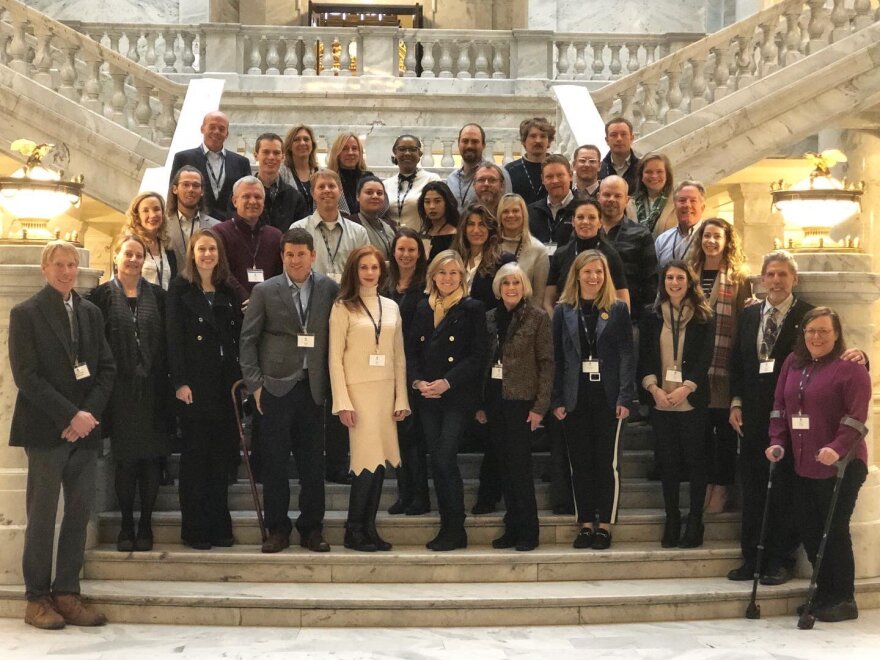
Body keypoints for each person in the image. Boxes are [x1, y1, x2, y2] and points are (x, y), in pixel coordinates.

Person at [728, 251, 868, 586]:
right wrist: (735, 401)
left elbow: (841, 362)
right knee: (753, 489)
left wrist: (862, 356)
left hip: (796, 424)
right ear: (761, 279)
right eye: (770, 274)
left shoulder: (808, 316)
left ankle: (779, 559)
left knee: (786, 493)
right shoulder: (749, 315)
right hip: (754, 418)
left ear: (794, 279)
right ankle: (753, 558)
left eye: (782, 275)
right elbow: (738, 362)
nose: (775, 281)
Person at [9, 240, 115, 630]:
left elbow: (106, 369)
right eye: (59, 264)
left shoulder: (89, 312)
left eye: (72, 264)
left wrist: (87, 415)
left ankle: (67, 593)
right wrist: (71, 415)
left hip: (84, 432)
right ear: (45, 268)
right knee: (42, 516)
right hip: (46, 431)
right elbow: (27, 377)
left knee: (78, 514)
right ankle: (36, 598)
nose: (67, 271)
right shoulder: (26, 314)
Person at [768, 307, 870, 623]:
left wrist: (836, 448)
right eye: (811, 331)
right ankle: (823, 593)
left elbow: (855, 419)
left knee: (833, 530)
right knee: (812, 531)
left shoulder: (851, 369)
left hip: (842, 465)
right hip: (802, 463)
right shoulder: (792, 363)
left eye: (824, 331)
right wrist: (776, 441)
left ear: (836, 334)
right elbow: (779, 408)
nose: (816, 337)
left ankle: (843, 598)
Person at [239, 227, 336, 554]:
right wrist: (255, 385)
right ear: (282, 256)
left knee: (313, 465)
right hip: (275, 388)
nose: (295, 260)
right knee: (275, 463)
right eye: (289, 254)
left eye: (301, 254)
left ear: (313, 255)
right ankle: (277, 528)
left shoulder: (329, 289)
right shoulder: (265, 291)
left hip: (314, 387)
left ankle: (312, 528)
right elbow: (248, 340)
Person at [88, 234, 171, 553]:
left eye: (139, 255)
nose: (134, 260)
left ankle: (146, 524)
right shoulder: (100, 296)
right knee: (124, 463)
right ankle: (125, 524)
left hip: (153, 390)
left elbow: (166, 343)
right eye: (128, 255)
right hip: (119, 392)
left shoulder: (159, 297)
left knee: (151, 461)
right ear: (116, 258)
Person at [551, 251, 634, 550]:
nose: (594, 277)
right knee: (580, 463)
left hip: (609, 397)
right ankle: (585, 524)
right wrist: (557, 398)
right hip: (575, 396)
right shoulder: (563, 311)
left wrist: (626, 395)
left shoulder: (618, 309)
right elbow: (558, 358)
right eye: (588, 271)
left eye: (599, 272)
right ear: (577, 274)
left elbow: (627, 355)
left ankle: (605, 525)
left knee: (607, 464)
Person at [329, 246, 410, 551]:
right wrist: (343, 402)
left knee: (378, 466)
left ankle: (369, 527)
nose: (369, 273)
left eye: (374, 267)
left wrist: (401, 398)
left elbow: (399, 356)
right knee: (364, 463)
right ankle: (353, 530)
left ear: (382, 271)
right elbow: (334, 359)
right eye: (363, 267)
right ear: (354, 270)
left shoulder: (391, 306)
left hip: (385, 393)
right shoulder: (342, 307)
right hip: (358, 395)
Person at [166, 229, 242, 550]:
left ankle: (219, 525)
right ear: (192, 254)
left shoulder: (227, 290)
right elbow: (173, 339)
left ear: (219, 254)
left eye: (212, 249)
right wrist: (179, 381)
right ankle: (195, 529)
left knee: (221, 458)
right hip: (194, 387)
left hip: (225, 387)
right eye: (201, 249)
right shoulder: (179, 289)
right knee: (196, 459)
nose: (207, 254)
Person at [411, 250, 487, 551]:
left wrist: (448, 381)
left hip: (457, 395)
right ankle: (449, 527)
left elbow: (478, 355)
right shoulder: (421, 308)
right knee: (438, 459)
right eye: (442, 272)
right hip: (428, 395)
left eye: (454, 273)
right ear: (433, 276)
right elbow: (411, 352)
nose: (448, 278)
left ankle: (455, 527)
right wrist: (417, 382)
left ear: (462, 277)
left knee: (444, 457)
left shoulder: (473, 308)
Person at [476, 263, 553, 551]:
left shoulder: (537, 318)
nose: (511, 288)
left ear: (524, 287)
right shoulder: (489, 318)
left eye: (516, 283)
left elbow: (546, 363)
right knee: (503, 466)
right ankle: (511, 527)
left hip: (523, 401)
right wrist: (480, 404)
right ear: (499, 287)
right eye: (506, 283)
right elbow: (483, 363)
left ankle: (528, 531)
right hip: (495, 399)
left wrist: (540, 406)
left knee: (520, 468)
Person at [640, 260, 714, 548]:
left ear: (689, 281)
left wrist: (686, 388)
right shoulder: (652, 315)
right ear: (663, 282)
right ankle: (672, 518)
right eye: (669, 277)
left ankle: (695, 520)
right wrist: (654, 389)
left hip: (691, 400)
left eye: (680, 277)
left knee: (696, 463)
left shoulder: (704, 316)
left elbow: (704, 358)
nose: (674, 282)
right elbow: (644, 356)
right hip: (661, 401)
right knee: (668, 464)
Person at [686, 218, 752, 514]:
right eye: (707, 236)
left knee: (723, 436)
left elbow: (745, 319)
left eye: (717, 237)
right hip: (695, 368)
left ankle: (722, 486)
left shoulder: (739, 277)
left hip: (725, 368)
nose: (711, 241)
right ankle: (705, 484)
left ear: (727, 241)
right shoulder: (689, 272)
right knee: (698, 437)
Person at [383, 228, 431, 515]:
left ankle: (420, 497)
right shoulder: (384, 285)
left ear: (420, 253)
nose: (406, 254)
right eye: (401, 249)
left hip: (416, 367)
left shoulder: (426, 285)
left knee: (414, 437)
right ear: (393, 252)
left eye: (412, 249)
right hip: (387, 367)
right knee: (398, 435)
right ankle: (404, 494)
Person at [543, 198, 629, 315]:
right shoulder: (561, 254)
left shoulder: (611, 255)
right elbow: (548, 301)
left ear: (600, 222)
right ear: (573, 221)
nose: (585, 222)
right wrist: (558, 323)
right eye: (580, 217)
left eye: (592, 217)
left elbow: (623, 301)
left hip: (603, 324)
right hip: (567, 324)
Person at [169, 110, 252, 220]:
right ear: (202, 129)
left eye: (222, 129)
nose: (217, 131)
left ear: (227, 133)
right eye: (212, 127)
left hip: (230, 227)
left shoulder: (241, 163)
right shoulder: (183, 158)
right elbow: (173, 195)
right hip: (194, 223)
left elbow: (247, 195)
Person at [291, 168, 370, 283]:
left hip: (347, 298)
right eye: (321, 187)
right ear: (313, 193)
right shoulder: (298, 229)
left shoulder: (359, 232)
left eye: (332, 186)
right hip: (310, 298)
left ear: (340, 191)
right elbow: (291, 271)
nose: (327, 190)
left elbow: (366, 269)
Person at [212, 176, 283, 300]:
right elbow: (221, 271)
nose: (252, 201)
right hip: (231, 305)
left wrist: (262, 303)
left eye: (258, 197)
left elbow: (279, 276)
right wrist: (245, 298)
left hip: (267, 307)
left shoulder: (276, 236)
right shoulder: (219, 232)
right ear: (235, 201)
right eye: (246, 196)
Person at [598, 175, 657, 321]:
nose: (611, 199)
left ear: (627, 200)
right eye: (607, 194)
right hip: (590, 316)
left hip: (630, 319)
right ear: (598, 197)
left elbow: (651, 282)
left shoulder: (641, 234)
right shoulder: (587, 232)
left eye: (618, 195)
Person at [452, 203, 515, 311]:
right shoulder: (453, 259)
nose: (476, 230)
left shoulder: (504, 261)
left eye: (482, 224)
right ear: (463, 229)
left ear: (490, 228)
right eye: (471, 224)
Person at [496, 193, 549, 309]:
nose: (510, 215)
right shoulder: (491, 246)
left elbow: (539, 297)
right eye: (505, 211)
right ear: (499, 215)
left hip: (526, 317)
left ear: (524, 214)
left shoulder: (538, 250)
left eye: (515, 211)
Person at [446, 123, 512, 214]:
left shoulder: (499, 174)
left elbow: (507, 210)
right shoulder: (451, 179)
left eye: (475, 141)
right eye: (465, 141)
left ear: (483, 145)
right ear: (458, 144)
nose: (469, 146)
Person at [253, 131, 309, 231]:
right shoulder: (242, 193)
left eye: (276, 153)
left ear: (283, 157)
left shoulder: (295, 197)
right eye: (266, 152)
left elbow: (300, 234)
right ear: (256, 155)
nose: (271, 157)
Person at [382, 134, 440, 230]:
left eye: (413, 149)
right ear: (395, 153)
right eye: (402, 149)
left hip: (422, 240)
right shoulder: (386, 185)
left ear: (420, 154)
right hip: (393, 241)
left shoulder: (431, 180)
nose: (407, 153)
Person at [166, 165, 220, 267]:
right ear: (175, 189)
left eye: (195, 185)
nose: (191, 189)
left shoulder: (216, 227)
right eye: (186, 184)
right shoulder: (162, 225)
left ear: (202, 191)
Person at [123, 191, 176, 290]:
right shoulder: (129, 246)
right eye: (145, 210)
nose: (152, 215)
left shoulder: (167, 248)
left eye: (156, 209)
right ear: (137, 216)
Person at [527, 154, 575, 247]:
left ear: (570, 176)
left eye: (560, 175)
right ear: (542, 179)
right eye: (549, 177)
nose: (555, 181)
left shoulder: (583, 209)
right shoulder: (531, 211)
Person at [655, 180, 706, 266]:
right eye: (682, 200)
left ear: (702, 207)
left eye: (693, 201)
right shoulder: (662, 240)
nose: (687, 205)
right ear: (675, 206)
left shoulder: (712, 239)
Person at [505, 117, 554, 205]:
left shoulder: (558, 168)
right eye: (533, 136)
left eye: (543, 136)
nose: (538, 140)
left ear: (549, 142)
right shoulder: (510, 170)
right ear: (524, 141)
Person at [625, 152, 676, 236]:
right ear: (641, 175)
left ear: (667, 175)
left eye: (659, 171)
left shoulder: (678, 202)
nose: (654, 176)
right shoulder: (630, 204)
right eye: (648, 172)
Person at [349, 175, 397, 260]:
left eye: (379, 193)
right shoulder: (349, 225)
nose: (375, 196)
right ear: (358, 196)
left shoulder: (390, 226)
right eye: (369, 192)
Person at [326, 132, 373, 215]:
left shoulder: (368, 178)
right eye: (345, 148)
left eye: (354, 148)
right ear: (337, 153)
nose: (350, 152)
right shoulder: (329, 179)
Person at [280, 124, 319, 212]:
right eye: (296, 140)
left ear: (312, 144)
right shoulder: (281, 173)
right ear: (289, 146)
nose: (302, 143)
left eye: (306, 139)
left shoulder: (321, 172)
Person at [417, 180, 459, 262]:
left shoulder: (456, 235)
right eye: (427, 202)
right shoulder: (423, 233)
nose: (432, 206)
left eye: (437, 201)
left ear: (447, 203)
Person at [598, 117, 640, 194]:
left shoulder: (642, 168)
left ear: (632, 138)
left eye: (623, 134)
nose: (619, 139)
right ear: (607, 140)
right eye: (614, 135)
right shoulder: (598, 169)